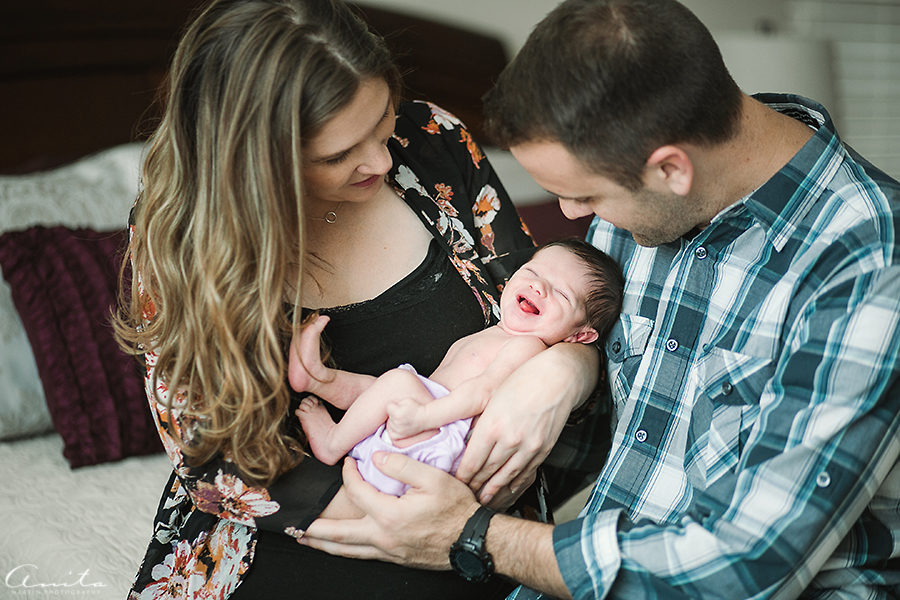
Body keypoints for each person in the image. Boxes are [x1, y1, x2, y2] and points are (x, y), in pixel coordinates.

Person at [294, 0, 900, 598]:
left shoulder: (868, 264)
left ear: (670, 169)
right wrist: (563, 371)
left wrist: (472, 535)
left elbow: (742, 571)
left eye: (584, 196)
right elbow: (625, 435)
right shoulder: (644, 197)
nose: (570, 216)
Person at [113, 0, 604, 598]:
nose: (380, 160)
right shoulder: (182, 235)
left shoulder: (430, 141)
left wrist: (566, 370)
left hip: (478, 539)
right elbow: (212, 457)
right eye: (337, 155)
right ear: (252, 168)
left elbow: (550, 302)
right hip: (303, 537)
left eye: (381, 124)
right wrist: (421, 530)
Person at [292, 239, 623, 498]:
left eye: (562, 294)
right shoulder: (499, 332)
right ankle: (320, 379)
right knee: (387, 387)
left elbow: (482, 393)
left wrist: (424, 418)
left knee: (398, 384)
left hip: (441, 442)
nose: (539, 288)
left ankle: (333, 442)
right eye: (532, 273)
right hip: (424, 426)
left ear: (579, 335)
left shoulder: (527, 347)